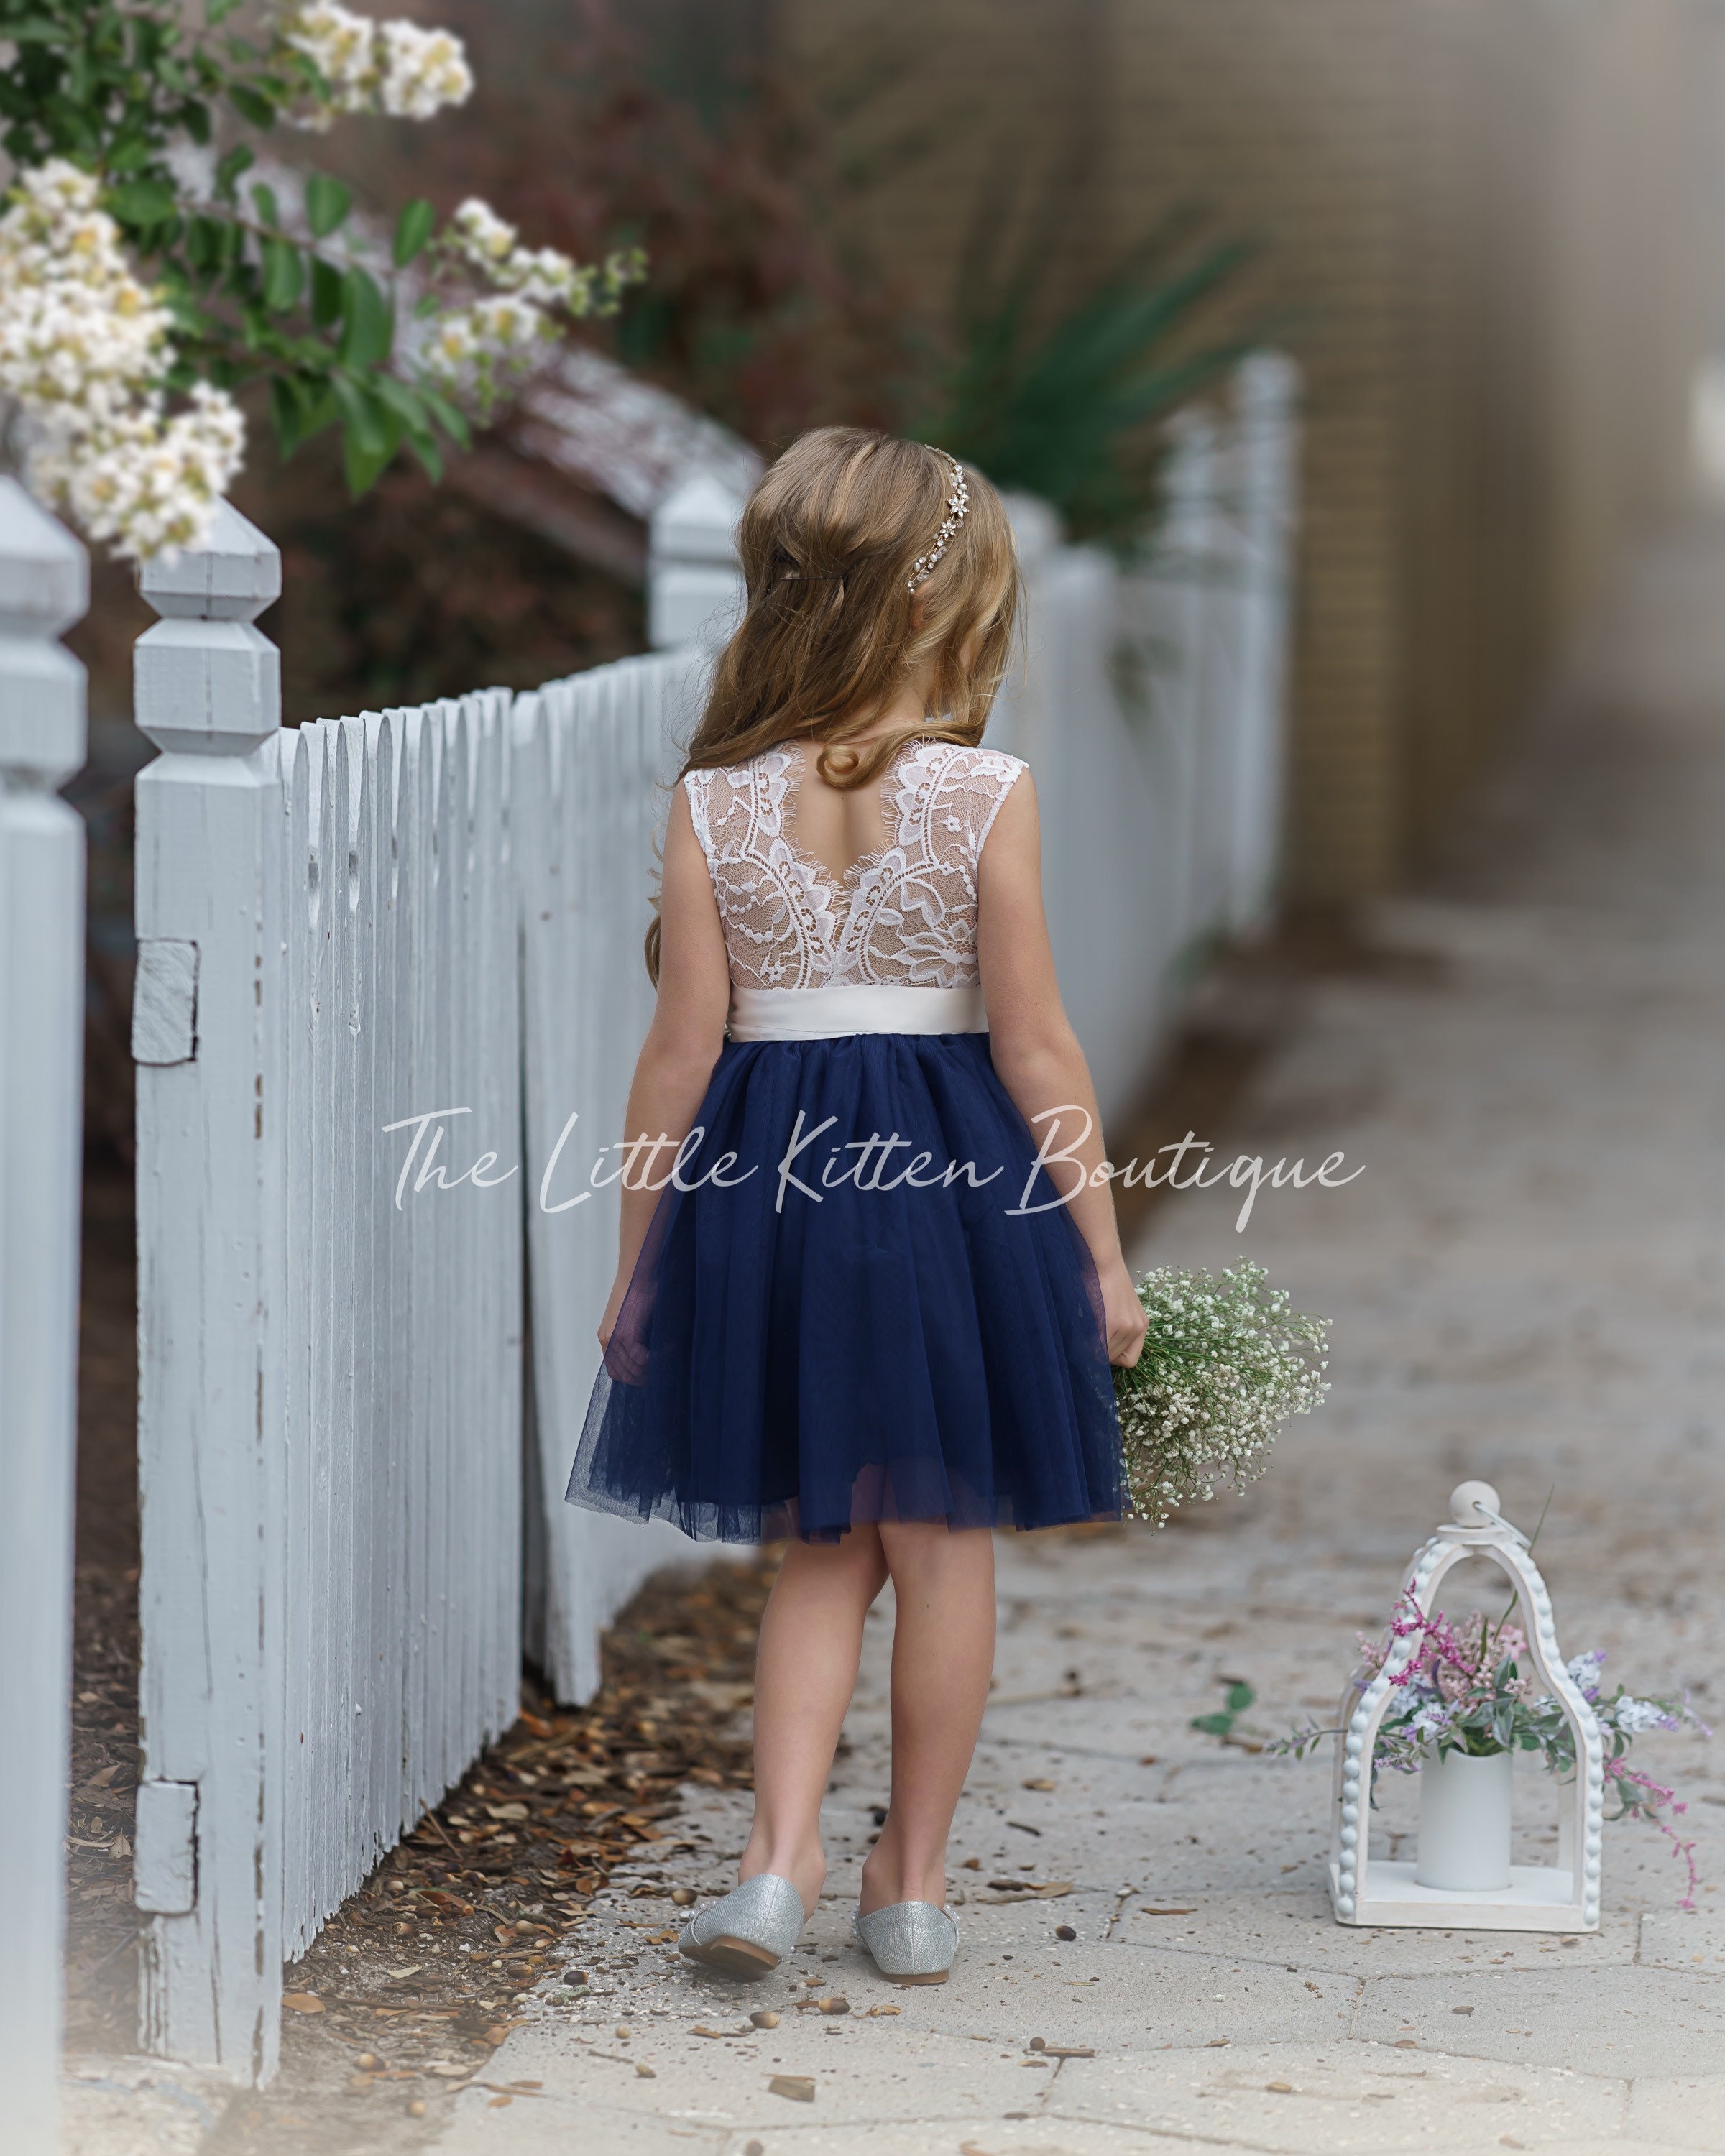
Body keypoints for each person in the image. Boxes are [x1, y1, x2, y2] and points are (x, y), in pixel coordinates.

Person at [566, 428, 1146, 1986]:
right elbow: (1034, 1037)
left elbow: (677, 1054)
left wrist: (643, 1269)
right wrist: (1099, 1250)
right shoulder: (983, 793)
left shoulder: (716, 806)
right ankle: (913, 1884)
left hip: (770, 1194)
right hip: (954, 1188)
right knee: (944, 1543)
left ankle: (776, 1861)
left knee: (824, 1545)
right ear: (935, 607)